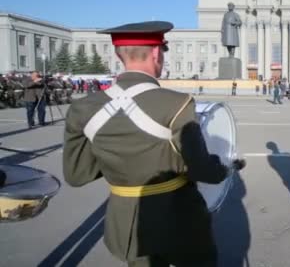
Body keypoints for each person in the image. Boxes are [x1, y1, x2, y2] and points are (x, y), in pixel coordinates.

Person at [62, 21, 245, 267]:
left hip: (128, 224)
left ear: (119, 55)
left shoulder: (82, 108)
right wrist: (225, 166)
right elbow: (203, 171)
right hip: (180, 220)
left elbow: (77, 175)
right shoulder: (177, 103)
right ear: (157, 53)